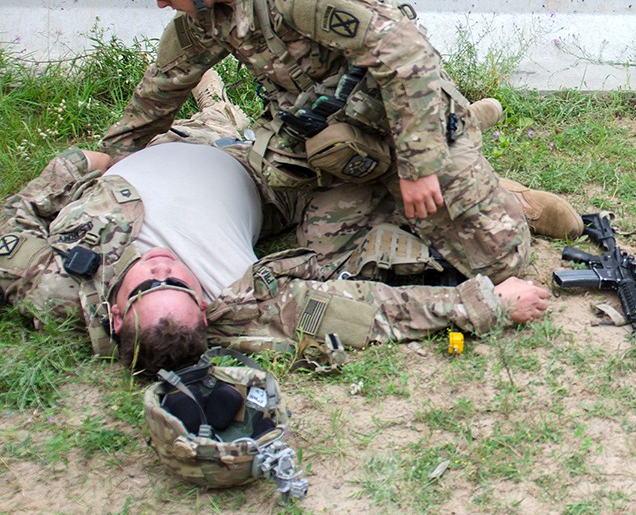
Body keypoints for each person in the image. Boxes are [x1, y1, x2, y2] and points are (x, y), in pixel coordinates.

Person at [86, 0, 580, 285]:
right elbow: (163, 88)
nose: (158, 4)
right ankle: (425, 190)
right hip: (340, 151)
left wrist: (419, 168)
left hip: (406, 125)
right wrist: (110, 156)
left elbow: (407, 53)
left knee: (499, 265)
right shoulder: (205, 18)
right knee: (330, 259)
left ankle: (513, 199)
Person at [0, 74, 549, 376]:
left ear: (116, 314)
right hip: (274, 176)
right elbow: (356, 312)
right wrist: (484, 305)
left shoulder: (53, 286)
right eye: (179, 285)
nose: (163, 267)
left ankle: (214, 103)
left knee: (220, 120)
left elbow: (13, 219)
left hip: (167, 142)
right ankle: (471, 156)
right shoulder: (232, 306)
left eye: (148, 285)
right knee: (345, 148)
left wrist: (78, 166)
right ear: (203, 308)